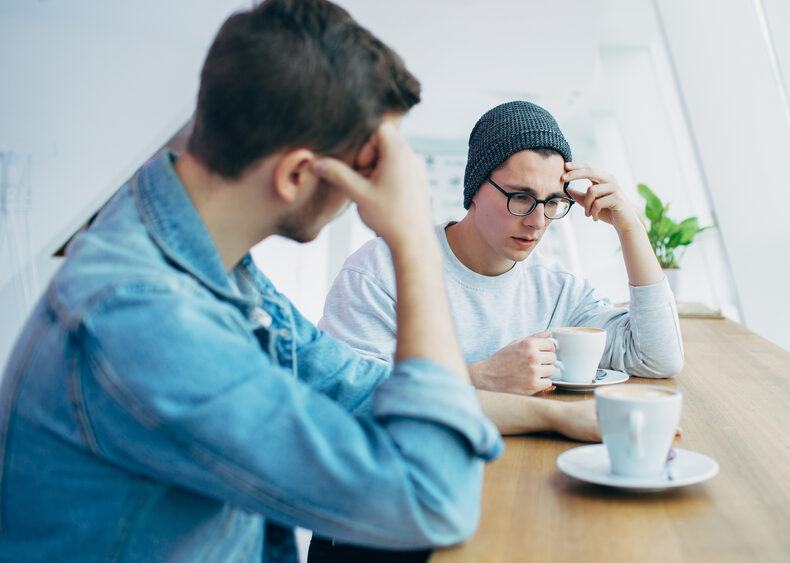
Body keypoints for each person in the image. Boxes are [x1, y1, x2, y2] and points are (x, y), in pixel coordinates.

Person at [0, 1, 505, 560]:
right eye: (372, 168)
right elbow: (431, 500)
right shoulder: (145, 315)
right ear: (296, 174)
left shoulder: (212, 269)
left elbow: (365, 391)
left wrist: (559, 414)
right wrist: (411, 237)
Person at [319, 101, 684, 397]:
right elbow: (342, 391)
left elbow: (657, 358)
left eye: (552, 202)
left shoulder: (559, 293)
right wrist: (480, 377)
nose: (538, 221)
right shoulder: (380, 269)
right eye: (521, 197)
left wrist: (630, 228)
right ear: (475, 187)